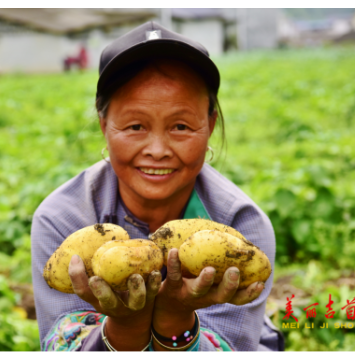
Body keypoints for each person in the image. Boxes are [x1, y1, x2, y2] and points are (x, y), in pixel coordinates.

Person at [32, 22, 283, 352]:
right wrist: (125, 327)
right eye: (136, 126)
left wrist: (175, 321)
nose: (158, 149)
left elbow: (233, 344)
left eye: (180, 126)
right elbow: (60, 344)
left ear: (210, 125)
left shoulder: (240, 225)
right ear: (103, 123)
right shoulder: (63, 217)